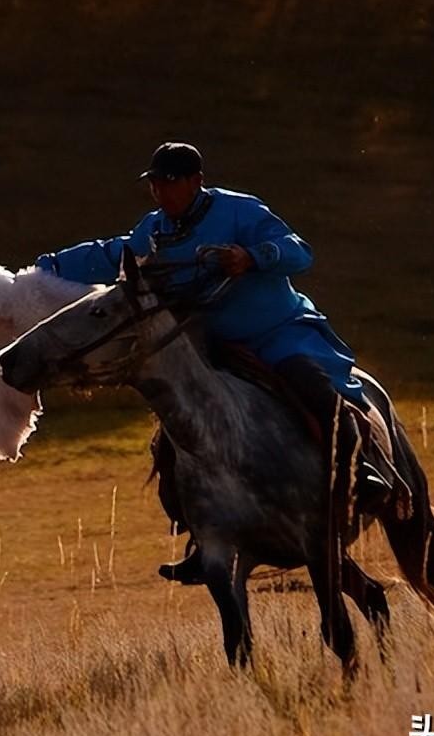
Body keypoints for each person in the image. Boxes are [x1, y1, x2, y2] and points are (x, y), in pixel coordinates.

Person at [34, 141, 389, 584]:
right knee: (177, 430)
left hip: (276, 334)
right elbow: (112, 252)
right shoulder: (155, 230)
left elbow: (298, 250)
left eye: (168, 183)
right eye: (155, 184)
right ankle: (205, 535)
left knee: (315, 389)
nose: (160, 193)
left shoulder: (241, 211)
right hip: (214, 346)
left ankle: (364, 475)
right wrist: (43, 269)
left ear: (195, 181)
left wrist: (253, 257)